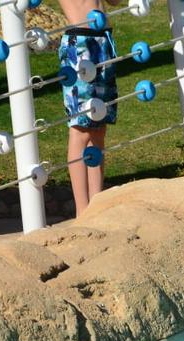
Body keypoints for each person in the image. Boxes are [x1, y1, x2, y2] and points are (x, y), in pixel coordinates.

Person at [58, 0, 117, 215]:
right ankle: (82, 211)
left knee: (99, 128)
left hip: (103, 40)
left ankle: (96, 206)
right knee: (80, 128)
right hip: (79, 42)